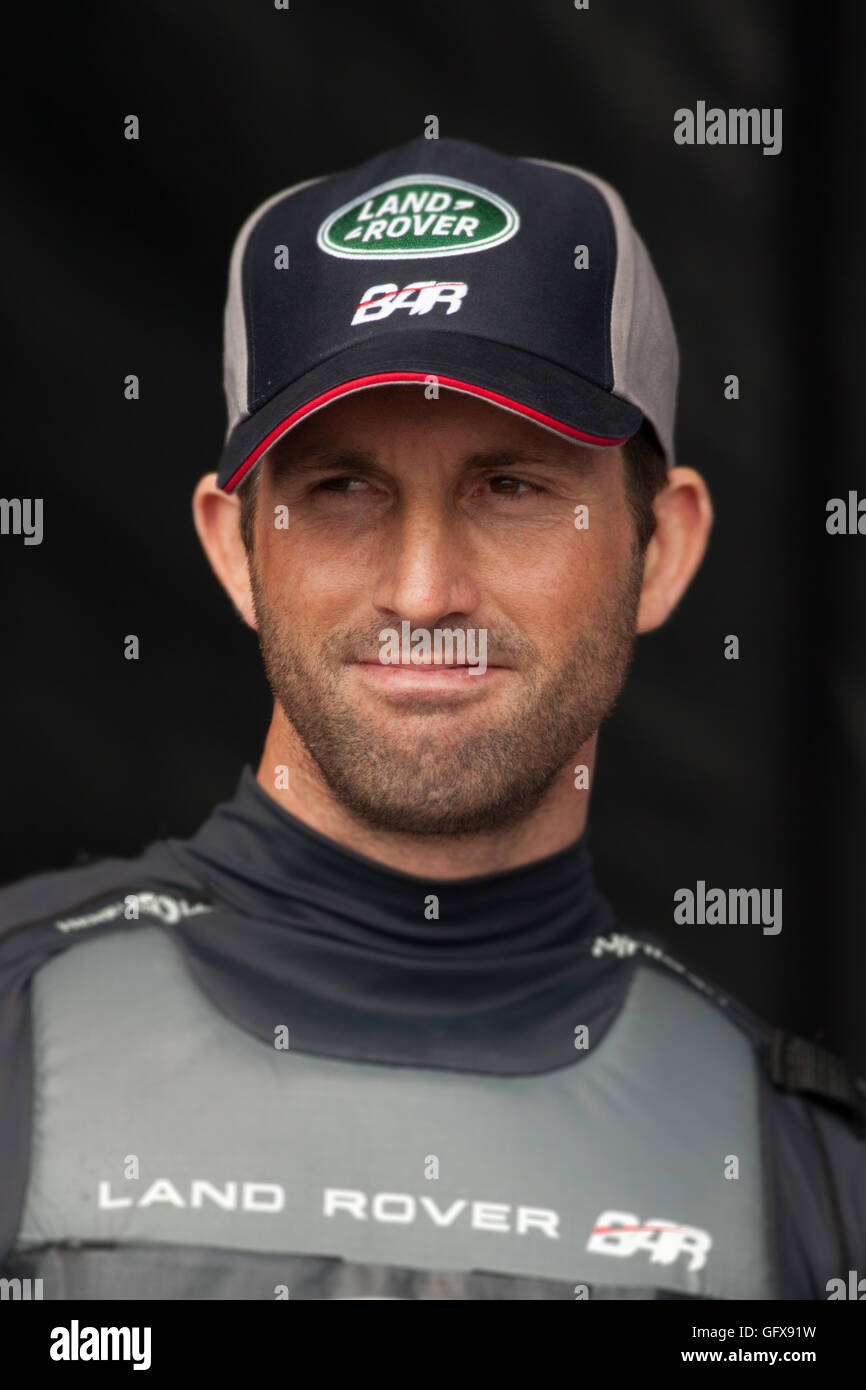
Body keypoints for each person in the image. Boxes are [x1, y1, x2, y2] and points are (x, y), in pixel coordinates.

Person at [1, 136, 863, 1302]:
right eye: (343, 488)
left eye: (510, 487)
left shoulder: (800, 1172)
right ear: (235, 548)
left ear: (660, 549)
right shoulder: (18, 1027)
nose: (420, 591)